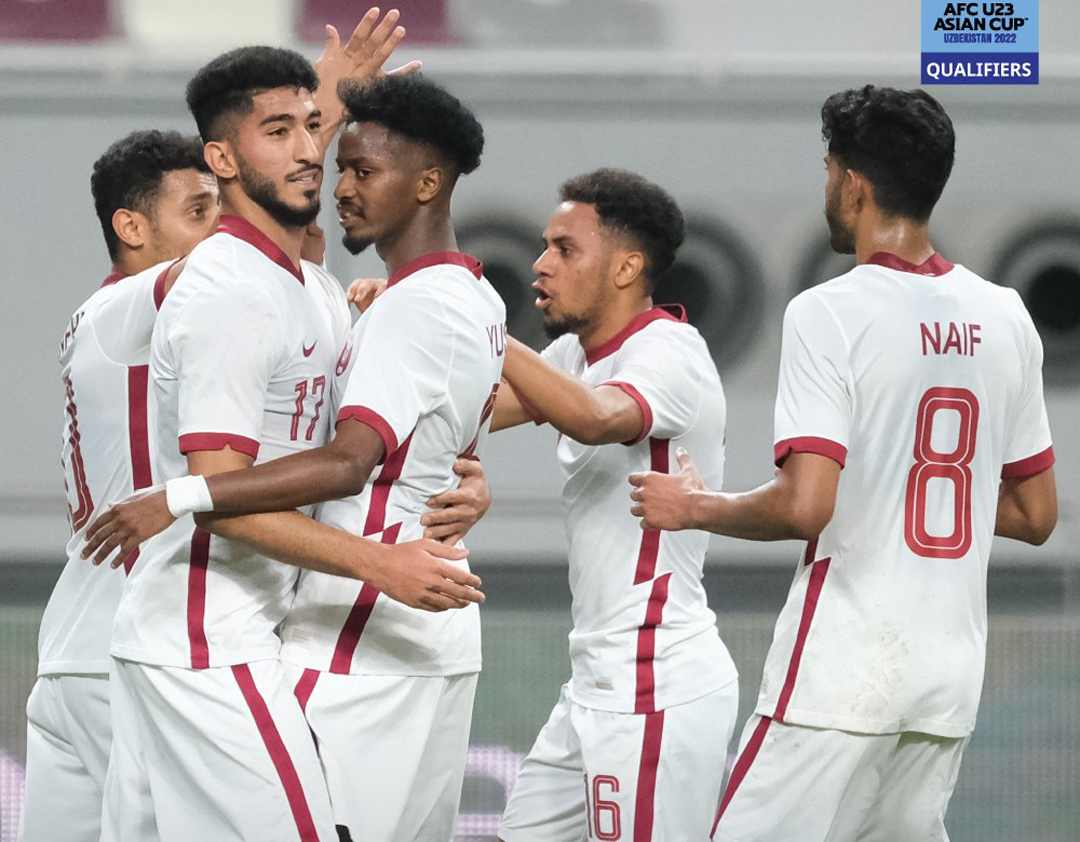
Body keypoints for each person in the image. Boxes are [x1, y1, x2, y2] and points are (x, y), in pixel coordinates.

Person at [629, 85, 1058, 842]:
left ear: (852, 185)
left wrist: (697, 506)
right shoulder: (1007, 315)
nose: (827, 189)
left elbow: (804, 507)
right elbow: (1034, 514)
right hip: (947, 677)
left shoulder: (829, 311)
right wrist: (892, 480)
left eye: (829, 172)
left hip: (843, 672)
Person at [87, 73, 502, 842]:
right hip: (206, 637)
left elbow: (394, 426)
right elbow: (232, 491)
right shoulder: (228, 289)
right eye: (280, 131)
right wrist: (380, 562)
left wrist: (453, 469)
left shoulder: (316, 289)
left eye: (317, 127)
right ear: (221, 159)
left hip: (248, 626)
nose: (315, 153)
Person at [486, 169, 739, 842]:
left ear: (627, 267)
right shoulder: (573, 352)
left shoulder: (670, 352)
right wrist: (407, 322)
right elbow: (470, 412)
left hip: (657, 683)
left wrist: (479, 321)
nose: (541, 264)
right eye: (544, 245)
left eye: (564, 249)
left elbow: (599, 418)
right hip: (597, 684)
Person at [17, 129, 219, 842]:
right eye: (201, 212)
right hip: (131, 654)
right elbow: (240, 261)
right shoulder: (128, 308)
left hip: (78, 656)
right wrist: (303, 121)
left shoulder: (123, 321)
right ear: (130, 227)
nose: (222, 229)